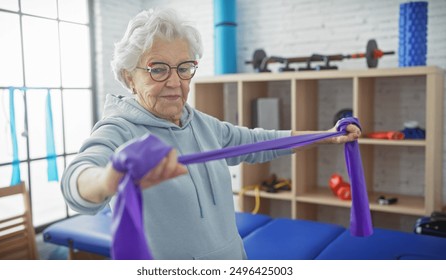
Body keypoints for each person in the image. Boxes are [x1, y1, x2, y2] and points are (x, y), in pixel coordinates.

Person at [61, 8, 361, 260]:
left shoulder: (201, 123)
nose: (175, 82)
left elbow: (260, 141)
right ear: (129, 78)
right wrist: (107, 178)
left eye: (184, 67)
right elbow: (76, 179)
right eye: (158, 69)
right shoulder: (120, 129)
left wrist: (325, 136)